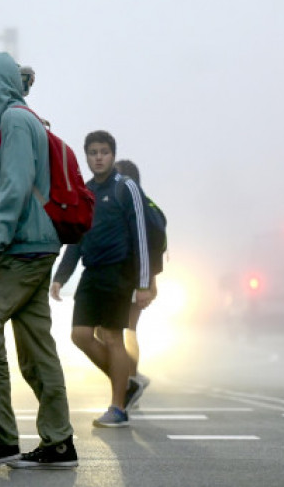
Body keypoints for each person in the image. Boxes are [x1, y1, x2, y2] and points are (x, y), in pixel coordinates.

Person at [0, 52, 78, 470]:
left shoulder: (14, 122)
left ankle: (3, 438)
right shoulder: (23, 119)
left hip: (22, 247)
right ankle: (59, 442)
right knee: (36, 349)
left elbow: (15, 186)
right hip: (39, 246)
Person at [51, 131, 153, 428]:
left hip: (118, 272)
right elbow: (76, 238)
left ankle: (118, 407)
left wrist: (144, 283)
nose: (98, 157)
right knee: (80, 335)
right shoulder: (85, 191)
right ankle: (126, 383)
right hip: (91, 272)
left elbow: (141, 237)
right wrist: (60, 276)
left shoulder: (126, 188)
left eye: (104, 152)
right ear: (86, 156)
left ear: (112, 154)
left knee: (111, 337)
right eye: (93, 152)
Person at [111, 158, 157, 408]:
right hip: (130, 279)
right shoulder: (139, 206)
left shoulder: (137, 209)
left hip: (132, 280)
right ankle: (130, 379)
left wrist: (148, 283)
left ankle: (130, 382)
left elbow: (147, 248)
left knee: (123, 331)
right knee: (124, 332)